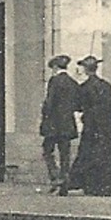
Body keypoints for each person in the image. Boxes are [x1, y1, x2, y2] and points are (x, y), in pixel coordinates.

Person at [66, 56, 111, 196]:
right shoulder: (106, 85)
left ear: (86, 70)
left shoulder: (85, 87)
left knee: (90, 155)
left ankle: (92, 185)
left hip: (92, 127)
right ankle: (108, 185)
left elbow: (78, 106)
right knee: (107, 155)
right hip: (108, 127)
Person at [39, 54, 80, 194]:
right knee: (65, 154)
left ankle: (55, 177)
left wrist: (44, 115)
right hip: (67, 124)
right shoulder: (72, 82)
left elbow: (49, 103)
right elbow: (78, 105)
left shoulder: (54, 81)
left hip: (53, 124)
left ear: (56, 67)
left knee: (47, 150)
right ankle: (64, 181)